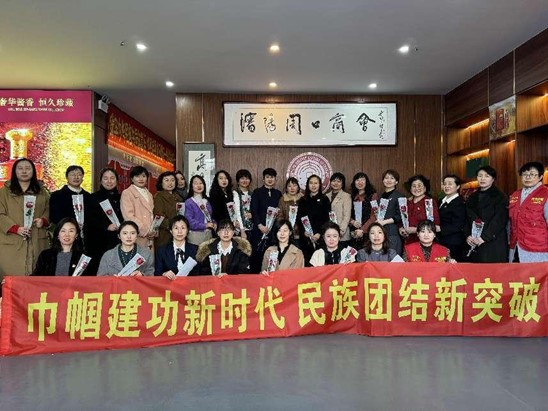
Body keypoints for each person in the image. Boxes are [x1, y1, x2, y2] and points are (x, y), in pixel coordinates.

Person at [0, 158, 50, 278]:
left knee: (36, 277)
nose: (24, 171)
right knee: (12, 280)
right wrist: (15, 228)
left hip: (36, 239)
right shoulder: (4, 192)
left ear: (33, 171)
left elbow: (48, 210)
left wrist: (43, 220)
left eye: (28, 168)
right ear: (14, 171)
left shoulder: (42, 192)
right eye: (20, 168)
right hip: (11, 242)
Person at [464, 166, 508, 263]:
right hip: (474, 241)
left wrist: (484, 238)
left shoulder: (500, 196)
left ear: (493, 179)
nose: (482, 178)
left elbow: (499, 220)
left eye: (487, 176)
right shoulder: (472, 197)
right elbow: (466, 218)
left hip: (492, 242)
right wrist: (468, 235)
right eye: (480, 176)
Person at [86, 167, 124, 274]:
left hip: (118, 239)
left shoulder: (121, 197)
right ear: (101, 180)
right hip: (99, 240)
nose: (109, 181)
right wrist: (106, 226)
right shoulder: (92, 198)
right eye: (105, 178)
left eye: (112, 178)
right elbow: (90, 219)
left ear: (117, 180)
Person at [508, 161, 548, 263]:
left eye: (532, 174)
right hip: (515, 245)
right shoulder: (515, 194)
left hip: (538, 247)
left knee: (536, 273)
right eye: (525, 174)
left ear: (540, 177)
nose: (528, 177)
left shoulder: (545, 194)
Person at [249, 168, 282, 272]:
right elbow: (254, 210)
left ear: (275, 179)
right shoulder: (257, 192)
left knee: (271, 257)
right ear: (263, 179)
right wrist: (259, 225)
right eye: (267, 177)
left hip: (273, 232)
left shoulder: (278, 193)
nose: (270, 179)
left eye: (272, 177)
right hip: (259, 231)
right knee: (257, 258)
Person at [297, 174, 331, 266]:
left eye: (316, 183)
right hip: (306, 238)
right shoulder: (303, 200)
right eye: (311, 183)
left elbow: (327, 219)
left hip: (320, 238)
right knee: (307, 264)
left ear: (320, 185)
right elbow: (299, 219)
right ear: (307, 185)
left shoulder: (325, 199)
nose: (313, 185)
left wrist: (319, 233)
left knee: (320, 264)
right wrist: (304, 232)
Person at [120, 166, 155, 249]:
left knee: (149, 256)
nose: (141, 179)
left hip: (150, 236)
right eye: (137, 176)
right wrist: (145, 230)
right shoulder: (127, 193)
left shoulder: (149, 194)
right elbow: (128, 216)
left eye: (143, 176)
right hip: (136, 234)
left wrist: (153, 230)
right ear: (132, 179)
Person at [399, 174, 440, 244]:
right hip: (408, 241)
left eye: (419, 185)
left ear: (425, 188)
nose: (416, 188)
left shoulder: (429, 202)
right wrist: (401, 229)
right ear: (410, 189)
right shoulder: (407, 202)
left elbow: (435, 225)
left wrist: (415, 230)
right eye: (414, 186)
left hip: (425, 241)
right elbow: (401, 219)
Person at [376, 169, 406, 255]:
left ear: (396, 182)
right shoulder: (381, 196)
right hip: (381, 231)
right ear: (383, 180)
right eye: (386, 178)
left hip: (393, 232)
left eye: (392, 178)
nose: (388, 180)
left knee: (393, 257)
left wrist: (384, 222)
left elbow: (400, 216)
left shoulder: (399, 196)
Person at [438, 174, 466, 262]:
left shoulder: (459, 203)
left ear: (457, 186)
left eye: (450, 184)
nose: (446, 186)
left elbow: (459, 225)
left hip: (453, 242)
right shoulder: (441, 201)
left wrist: (440, 229)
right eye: (445, 184)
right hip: (442, 240)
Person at [210, 170, 245, 237]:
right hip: (220, 227)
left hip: (232, 227)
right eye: (221, 178)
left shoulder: (232, 194)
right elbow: (215, 214)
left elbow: (236, 212)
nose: (224, 180)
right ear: (216, 180)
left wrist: (237, 223)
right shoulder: (213, 195)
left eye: (226, 178)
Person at [153, 171, 184, 248]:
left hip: (178, 233)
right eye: (166, 180)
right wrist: (174, 227)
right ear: (161, 183)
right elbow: (159, 216)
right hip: (165, 234)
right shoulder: (159, 196)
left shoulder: (178, 197)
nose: (170, 183)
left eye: (172, 180)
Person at [184, 175, 217, 245]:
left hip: (208, 233)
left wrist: (214, 223)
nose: (199, 185)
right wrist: (204, 225)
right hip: (195, 235)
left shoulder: (207, 201)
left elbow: (210, 217)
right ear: (191, 186)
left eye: (201, 183)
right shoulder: (189, 202)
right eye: (196, 183)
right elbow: (189, 221)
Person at [348, 172, 378, 249]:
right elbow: (347, 214)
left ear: (366, 182)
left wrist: (362, 230)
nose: (360, 182)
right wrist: (352, 221)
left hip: (368, 231)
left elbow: (374, 215)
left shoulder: (373, 195)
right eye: (357, 180)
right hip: (354, 232)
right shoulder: (351, 197)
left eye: (362, 180)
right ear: (354, 182)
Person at [325, 172, 352, 247]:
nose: (336, 183)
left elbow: (347, 216)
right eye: (334, 181)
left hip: (342, 234)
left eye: (339, 181)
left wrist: (340, 231)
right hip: (329, 233)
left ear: (342, 184)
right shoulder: (326, 196)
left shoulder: (346, 196)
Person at [278, 177, 303, 246]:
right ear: (286, 188)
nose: (292, 188)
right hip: (287, 233)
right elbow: (279, 216)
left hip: (301, 233)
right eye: (289, 186)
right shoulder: (282, 199)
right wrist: (285, 228)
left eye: (294, 185)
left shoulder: (303, 199)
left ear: (298, 187)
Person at [233, 169, 254, 235]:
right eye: (242, 178)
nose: (245, 181)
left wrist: (252, 215)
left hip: (251, 227)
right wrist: (234, 221)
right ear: (238, 181)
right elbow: (233, 211)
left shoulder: (253, 194)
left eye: (247, 178)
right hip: (238, 228)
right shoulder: (234, 194)